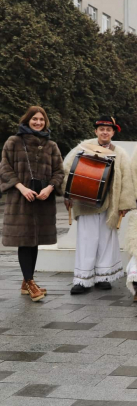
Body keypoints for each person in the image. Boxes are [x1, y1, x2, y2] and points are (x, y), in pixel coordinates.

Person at [63, 116, 134, 294]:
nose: (105, 132)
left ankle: (103, 276)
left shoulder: (121, 153)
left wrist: (124, 204)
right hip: (85, 201)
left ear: (113, 132)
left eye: (108, 129)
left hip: (110, 203)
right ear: (96, 131)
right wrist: (67, 193)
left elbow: (127, 180)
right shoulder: (82, 148)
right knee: (87, 239)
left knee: (106, 239)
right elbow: (67, 169)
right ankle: (82, 280)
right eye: (101, 129)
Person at [0, 106, 64, 302]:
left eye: (42, 120)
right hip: (21, 199)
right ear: (27, 120)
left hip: (43, 200)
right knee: (24, 240)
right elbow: (5, 168)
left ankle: (27, 281)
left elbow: (59, 172)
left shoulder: (51, 145)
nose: (38, 122)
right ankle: (29, 281)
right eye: (35, 119)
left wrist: (50, 188)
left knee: (34, 240)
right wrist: (21, 187)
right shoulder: (13, 142)